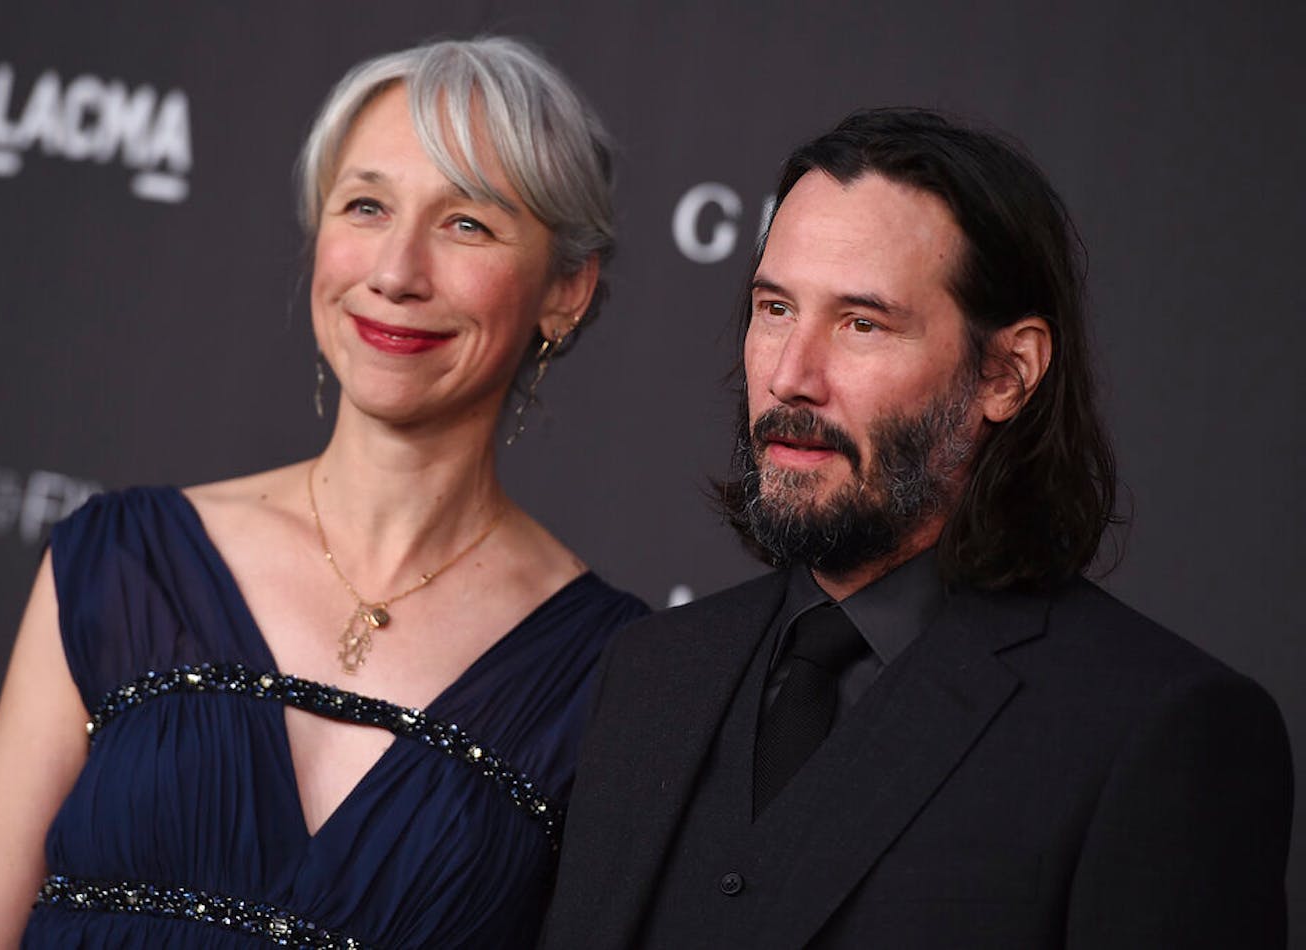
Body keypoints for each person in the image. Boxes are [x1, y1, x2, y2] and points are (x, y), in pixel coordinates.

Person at [0, 36, 647, 949]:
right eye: (366, 206)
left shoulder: (621, 674)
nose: (396, 272)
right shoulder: (120, 562)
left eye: (468, 224)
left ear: (566, 291)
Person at [541, 108, 1292, 948]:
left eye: (862, 323)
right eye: (775, 307)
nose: (791, 375)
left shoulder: (1157, 733)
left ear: (1007, 375)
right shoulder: (649, 674)